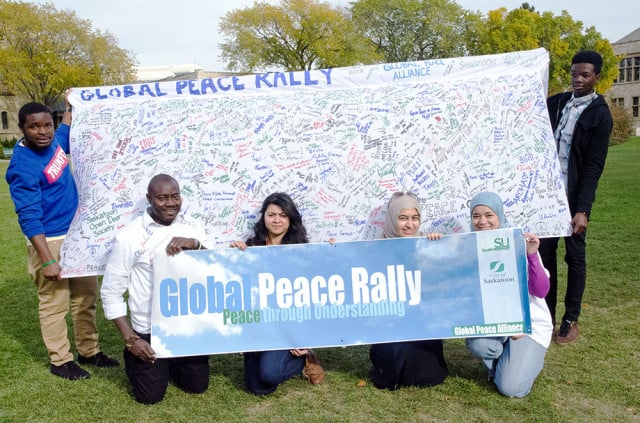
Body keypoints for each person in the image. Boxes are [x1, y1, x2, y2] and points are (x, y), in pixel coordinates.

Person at [5, 99, 118, 380]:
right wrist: (48, 260)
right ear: (22, 129)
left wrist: (73, 103)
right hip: (50, 242)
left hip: (78, 236)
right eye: (34, 127)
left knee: (86, 297)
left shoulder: (54, 141)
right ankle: (60, 360)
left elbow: (66, 128)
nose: (42, 131)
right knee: (54, 304)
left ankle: (89, 351)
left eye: (46, 125)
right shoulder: (22, 166)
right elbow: (29, 217)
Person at [100, 174, 210, 404]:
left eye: (175, 196)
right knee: (150, 397)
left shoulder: (193, 227)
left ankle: (174, 360)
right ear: (149, 198)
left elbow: (216, 264)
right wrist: (131, 339)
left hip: (186, 323)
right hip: (149, 329)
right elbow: (111, 291)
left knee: (197, 386)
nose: (171, 203)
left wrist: (195, 244)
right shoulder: (129, 237)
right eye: (162, 198)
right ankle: (138, 358)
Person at [540, 50, 612, 344]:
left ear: (596, 77)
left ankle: (570, 319)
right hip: (546, 196)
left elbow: (593, 167)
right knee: (544, 256)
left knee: (574, 256)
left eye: (585, 75)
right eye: (574, 74)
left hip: (573, 198)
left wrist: (583, 209)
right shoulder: (557, 103)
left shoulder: (599, 115)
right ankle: (546, 316)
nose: (578, 80)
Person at [230, 192, 325, 395]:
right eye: (271, 214)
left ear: (291, 219)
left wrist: (307, 338)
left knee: (270, 375)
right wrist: (234, 258)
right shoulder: (252, 248)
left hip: (289, 324)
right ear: (263, 217)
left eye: (282, 215)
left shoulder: (303, 251)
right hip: (262, 324)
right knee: (258, 388)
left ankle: (306, 359)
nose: (276, 220)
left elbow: (314, 296)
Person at [462, 192, 553, 398]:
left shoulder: (519, 242)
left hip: (529, 326)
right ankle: (505, 362)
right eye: (476, 216)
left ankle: (517, 364)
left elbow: (541, 290)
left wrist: (531, 254)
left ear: (500, 216)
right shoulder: (468, 246)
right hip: (495, 322)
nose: (482, 221)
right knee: (477, 342)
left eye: (489, 215)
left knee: (511, 389)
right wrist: (436, 241)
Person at [368, 191, 448, 390]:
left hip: (423, 323)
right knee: (390, 369)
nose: (409, 225)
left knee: (427, 374)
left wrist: (437, 248)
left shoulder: (428, 244)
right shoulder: (373, 249)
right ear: (392, 218)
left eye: (415, 218)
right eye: (403, 218)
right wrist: (333, 250)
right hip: (390, 322)